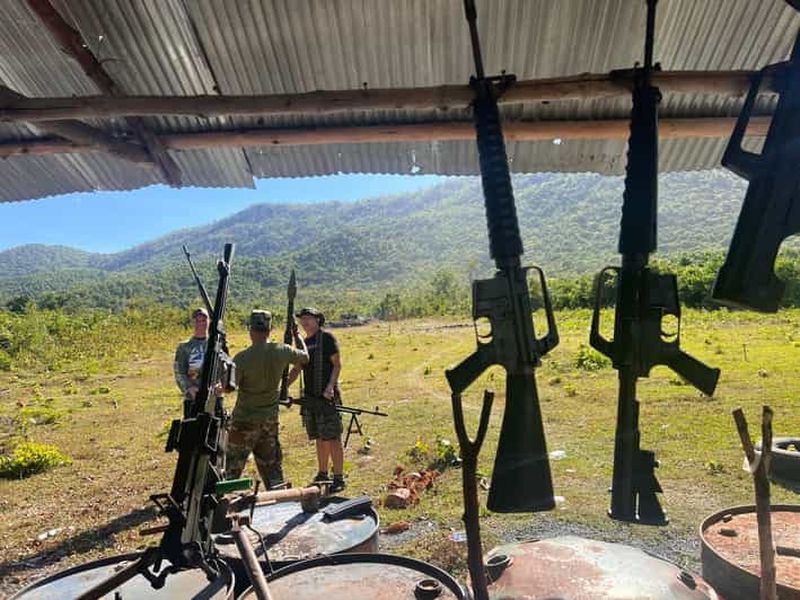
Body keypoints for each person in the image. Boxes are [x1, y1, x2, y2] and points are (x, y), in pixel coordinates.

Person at [226, 310, 308, 489]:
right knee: (273, 472)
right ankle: (280, 506)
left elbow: (228, 387)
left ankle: (224, 509)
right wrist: (297, 335)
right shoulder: (282, 351)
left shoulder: (241, 358)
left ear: (251, 330)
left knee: (232, 472)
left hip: (243, 422)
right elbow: (304, 357)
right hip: (269, 422)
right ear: (270, 329)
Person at [288, 307, 346, 493]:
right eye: (302, 319)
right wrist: (282, 388)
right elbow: (297, 369)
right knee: (320, 438)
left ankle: (338, 478)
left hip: (327, 398)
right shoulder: (304, 343)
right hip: (311, 399)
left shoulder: (327, 338)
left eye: (308, 318)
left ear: (317, 320)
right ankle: (322, 474)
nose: (305, 322)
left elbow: (337, 365)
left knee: (333, 438)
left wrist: (330, 387)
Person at [174, 307, 209, 417]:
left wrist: (220, 385)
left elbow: (225, 368)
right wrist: (189, 388)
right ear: (193, 322)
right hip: (192, 398)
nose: (201, 324)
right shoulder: (184, 347)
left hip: (212, 398)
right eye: (197, 321)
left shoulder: (217, 345)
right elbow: (179, 372)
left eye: (204, 320)